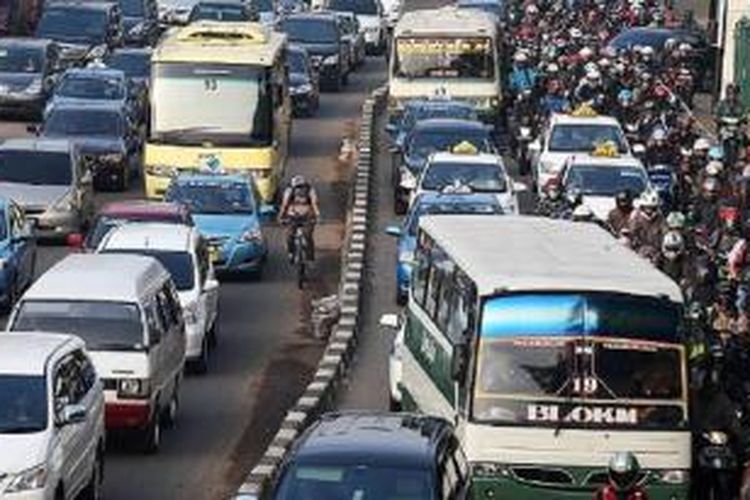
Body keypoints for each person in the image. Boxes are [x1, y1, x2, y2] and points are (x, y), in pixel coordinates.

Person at [278, 175, 320, 262]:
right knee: (290, 235)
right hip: (293, 216)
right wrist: (281, 216)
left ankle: (310, 257)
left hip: (307, 216)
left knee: (308, 235)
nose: (300, 190)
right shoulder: (289, 191)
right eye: (297, 188)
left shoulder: (310, 190)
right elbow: (284, 204)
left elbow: (314, 203)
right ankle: (291, 252)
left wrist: (317, 215)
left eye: (301, 187)